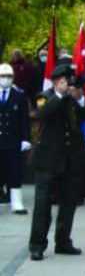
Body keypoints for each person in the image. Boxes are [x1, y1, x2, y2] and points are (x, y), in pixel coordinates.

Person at [28, 64, 85, 261]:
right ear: (57, 82)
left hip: (69, 161)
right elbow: (42, 114)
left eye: (69, 82)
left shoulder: (71, 100)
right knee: (43, 205)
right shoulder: (44, 96)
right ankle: (37, 245)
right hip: (47, 161)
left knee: (68, 203)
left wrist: (79, 97)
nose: (68, 85)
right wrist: (59, 95)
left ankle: (63, 242)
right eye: (64, 82)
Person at [1, 63, 31, 214]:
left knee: (15, 171)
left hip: (13, 140)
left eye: (8, 76)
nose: (5, 79)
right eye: (2, 76)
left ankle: (16, 202)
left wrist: (26, 138)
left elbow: (24, 119)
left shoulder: (19, 95)